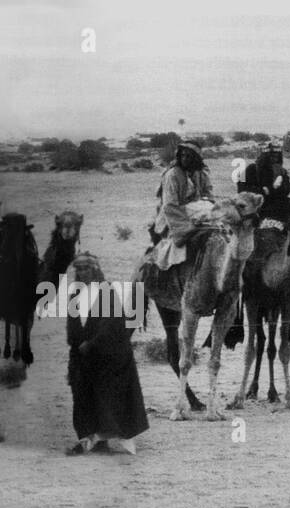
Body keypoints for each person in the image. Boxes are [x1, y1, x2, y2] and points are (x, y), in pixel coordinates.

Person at [64, 252, 148, 455]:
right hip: (84, 356)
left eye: (86, 269)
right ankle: (90, 438)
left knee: (109, 398)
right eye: (79, 269)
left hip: (109, 355)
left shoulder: (106, 291)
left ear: (94, 270)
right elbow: (72, 326)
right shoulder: (75, 294)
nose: (82, 273)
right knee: (82, 395)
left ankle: (107, 439)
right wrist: (75, 352)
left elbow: (111, 325)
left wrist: (92, 344)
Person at [149, 139, 213, 270]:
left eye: (189, 156)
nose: (185, 159)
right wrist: (186, 227)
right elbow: (170, 205)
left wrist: (204, 205)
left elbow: (209, 194)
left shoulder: (200, 174)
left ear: (195, 159)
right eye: (182, 155)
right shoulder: (172, 175)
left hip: (198, 212)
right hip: (174, 217)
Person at [238, 140, 290, 225]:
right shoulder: (252, 169)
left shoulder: (281, 171)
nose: (275, 159)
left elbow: (288, 188)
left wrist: (278, 186)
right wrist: (262, 191)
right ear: (265, 156)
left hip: (277, 203)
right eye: (272, 156)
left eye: (277, 156)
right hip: (256, 204)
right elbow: (241, 188)